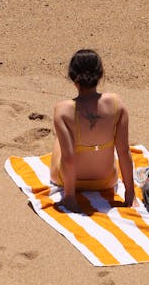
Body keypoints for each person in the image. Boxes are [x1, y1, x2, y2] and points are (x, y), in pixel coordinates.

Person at [50, 48, 135, 212]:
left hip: (67, 180)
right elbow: (124, 152)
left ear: (73, 77)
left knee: (60, 141)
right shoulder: (116, 103)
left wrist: (70, 197)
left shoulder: (63, 110)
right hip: (106, 181)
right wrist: (130, 195)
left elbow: (68, 158)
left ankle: (70, 191)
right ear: (100, 75)